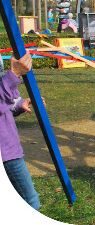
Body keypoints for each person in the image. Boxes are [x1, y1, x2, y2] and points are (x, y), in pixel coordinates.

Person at [1, 53, 40, 210]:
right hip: (5, 151)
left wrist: (18, 105)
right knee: (30, 202)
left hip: (8, 145)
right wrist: (14, 74)